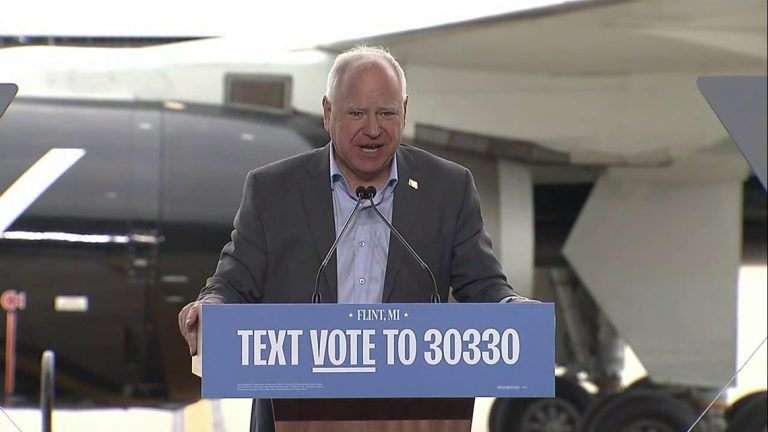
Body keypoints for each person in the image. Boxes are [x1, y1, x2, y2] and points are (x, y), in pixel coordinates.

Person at [178, 45, 535, 432]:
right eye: (356, 113)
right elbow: (234, 282)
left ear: (405, 111)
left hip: (410, 416)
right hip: (295, 417)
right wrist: (211, 305)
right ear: (328, 113)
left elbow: (482, 283)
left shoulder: (447, 188)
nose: (373, 129)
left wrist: (510, 305)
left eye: (386, 113)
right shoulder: (273, 190)